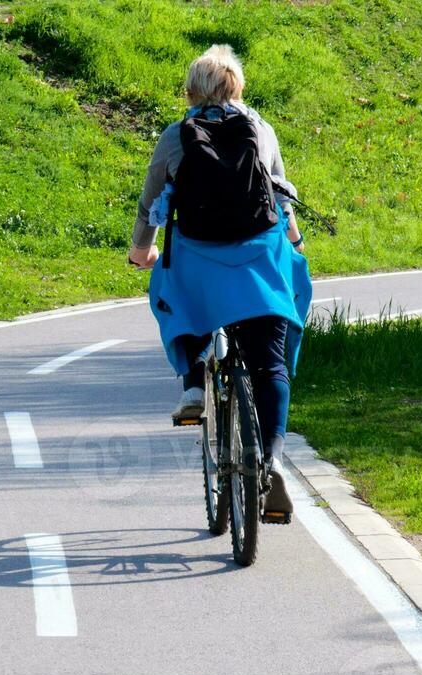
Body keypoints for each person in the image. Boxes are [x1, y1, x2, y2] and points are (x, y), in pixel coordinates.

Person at [129, 44, 311, 520]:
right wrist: (293, 238)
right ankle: (270, 459)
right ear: (237, 86)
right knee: (270, 362)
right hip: (258, 261)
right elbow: (279, 194)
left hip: (199, 262)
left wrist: (140, 251)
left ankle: (192, 383)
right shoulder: (261, 129)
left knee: (172, 292)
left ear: (192, 90)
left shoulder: (176, 136)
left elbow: (151, 202)